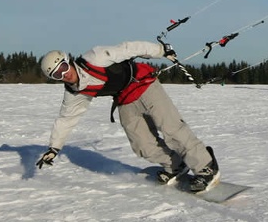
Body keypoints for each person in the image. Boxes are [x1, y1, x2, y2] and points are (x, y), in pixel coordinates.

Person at [36, 41, 220, 192]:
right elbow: (66, 119)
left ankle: (206, 167)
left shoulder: (95, 58)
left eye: (63, 67)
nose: (64, 74)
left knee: (171, 128)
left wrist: (160, 51)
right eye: (57, 75)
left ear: (68, 60)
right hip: (125, 98)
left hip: (144, 84)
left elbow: (129, 49)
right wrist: (54, 148)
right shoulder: (74, 92)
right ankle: (176, 166)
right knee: (142, 145)